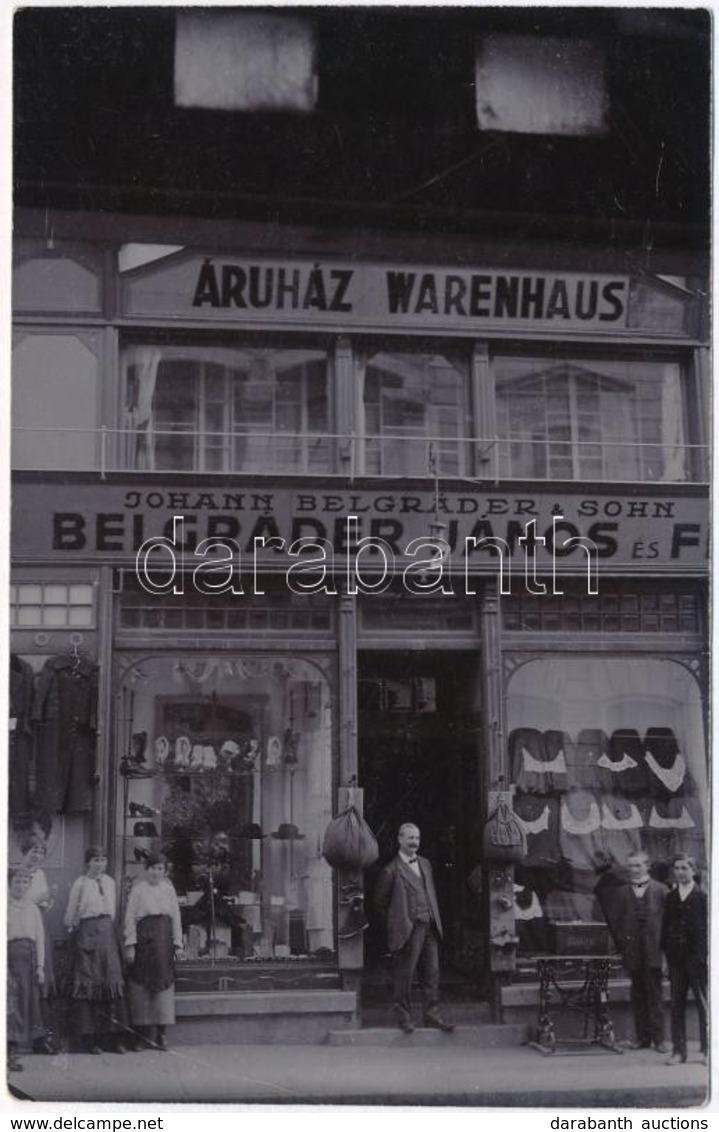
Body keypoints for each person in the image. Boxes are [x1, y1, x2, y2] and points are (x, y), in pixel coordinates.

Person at [374, 822, 454, 1034]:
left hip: (429, 927)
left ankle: (433, 1017)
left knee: (432, 974)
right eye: (410, 838)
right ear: (400, 839)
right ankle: (404, 1018)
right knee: (405, 975)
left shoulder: (425, 864)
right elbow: (379, 905)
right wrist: (397, 926)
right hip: (408, 930)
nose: (414, 842)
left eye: (417, 838)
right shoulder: (390, 870)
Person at [598, 850, 667, 1052]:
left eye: (638, 865)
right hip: (633, 952)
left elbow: (668, 926)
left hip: (655, 952)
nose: (634, 870)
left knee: (655, 995)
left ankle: (659, 1039)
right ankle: (642, 1038)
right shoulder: (621, 893)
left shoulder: (662, 891)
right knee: (637, 995)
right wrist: (623, 948)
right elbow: (617, 924)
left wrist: (665, 954)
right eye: (631, 866)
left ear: (647, 866)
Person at [64, 846, 127, 1054]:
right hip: (87, 933)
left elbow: (113, 912)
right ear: (88, 862)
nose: (100, 864)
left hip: (107, 933)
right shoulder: (80, 884)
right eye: (96, 860)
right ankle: (90, 1040)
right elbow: (70, 915)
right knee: (89, 984)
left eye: (103, 860)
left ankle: (113, 1038)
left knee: (111, 982)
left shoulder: (110, 883)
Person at [123, 852, 183, 1051]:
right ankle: (141, 1036)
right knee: (141, 985)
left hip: (164, 943)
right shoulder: (138, 890)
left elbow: (176, 918)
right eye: (152, 868)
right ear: (145, 870)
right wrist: (130, 944)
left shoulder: (168, 890)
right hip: (144, 941)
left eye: (160, 869)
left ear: (164, 871)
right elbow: (130, 918)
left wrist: (178, 944)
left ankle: (161, 1034)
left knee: (163, 985)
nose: (156, 873)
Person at [661, 854, 708, 1066]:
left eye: (685, 868)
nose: (680, 872)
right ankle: (679, 1051)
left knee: (703, 1004)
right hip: (676, 960)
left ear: (694, 871)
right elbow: (665, 928)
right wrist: (665, 958)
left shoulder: (703, 896)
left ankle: (708, 1051)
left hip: (697, 958)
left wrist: (706, 956)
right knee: (676, 1004)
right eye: (677, 868)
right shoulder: (670, 898)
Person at [20, 833, 58, 1052]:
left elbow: (39, 903)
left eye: (41, 852)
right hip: (20, 928)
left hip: (39, 925)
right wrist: (38, 898)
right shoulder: (14, 873)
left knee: (41, 978)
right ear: (25, 852)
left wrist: (47, 901)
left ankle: (39, 1036)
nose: (37, 855)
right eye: (33, 851)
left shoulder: (41, 875)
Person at [7, 868, 46, 1072]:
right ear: (9, 884)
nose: (21, 886)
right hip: (10, 959)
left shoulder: (32, 909)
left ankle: (33, 1042)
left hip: (29, 959)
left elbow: (39, 938)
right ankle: (9, 1050)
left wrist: (40, 966)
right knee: (11, 1004)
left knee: (28, 1002)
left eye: (24, 882)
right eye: (17, 882)